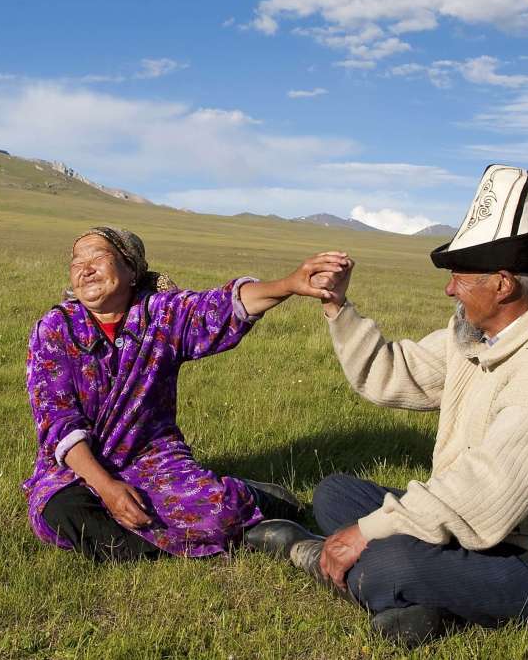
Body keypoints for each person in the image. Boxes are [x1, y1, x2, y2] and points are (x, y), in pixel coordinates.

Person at [246, 165, 528, 647]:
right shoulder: (479, 338)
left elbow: (485, 491)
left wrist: (365, 534)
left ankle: (319, 557)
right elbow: (392, 374)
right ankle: (429, 601)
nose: (449, 289)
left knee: (385, 563)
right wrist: (338, 308)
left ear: (502, 284)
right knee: (335, 494)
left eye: (460, 277)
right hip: (475, 531)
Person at [22, 226, 343, 561]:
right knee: (62, 513)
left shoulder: (161, 314)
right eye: (77, 261)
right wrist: (107, 488)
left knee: (218, 512)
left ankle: (252, 500)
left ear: (131, 270)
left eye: (97, 257)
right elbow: (57, 421)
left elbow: (221, 308)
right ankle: (241, 535)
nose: (85, 268)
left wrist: (290, 284)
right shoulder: (55, 328)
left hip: (152, 458)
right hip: (76, 467)